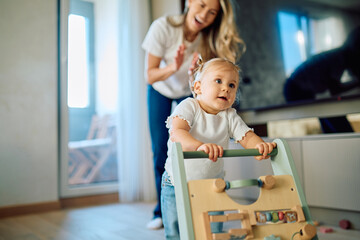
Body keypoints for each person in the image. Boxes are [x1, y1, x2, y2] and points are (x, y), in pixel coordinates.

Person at [141, 0, 245, 230]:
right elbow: (150, 75)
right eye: (201, 5)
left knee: (194, 143)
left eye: (212, 12)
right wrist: (173, 66)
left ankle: (196, 203)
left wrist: (193, 77)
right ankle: (161, 211)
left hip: (190, 93)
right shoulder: (163, 27)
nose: (204, 15)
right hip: (160, 89)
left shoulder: (209, 39)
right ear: (189, 2)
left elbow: (209, 82)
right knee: (161, 148)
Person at [161, 58, 277, 239]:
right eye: (218, 81)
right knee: (176, 231)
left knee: (214, 231)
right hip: (177, 182)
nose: (226, 88)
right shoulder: (189, 106)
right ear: (198, 87)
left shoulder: (229, 115)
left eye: (232, 85)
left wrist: (259, 145)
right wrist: (200, 146)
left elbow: (246, 136)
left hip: (212, 183)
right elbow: (177, 133)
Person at [284, 26, 360, 133]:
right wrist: (356, 84)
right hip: (294, 89)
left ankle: (337, 136)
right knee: (330, 113)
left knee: (327, 114)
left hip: (296, 87)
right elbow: (335, 89)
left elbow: (334, 88)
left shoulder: (338, 56)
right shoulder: (339, 59)